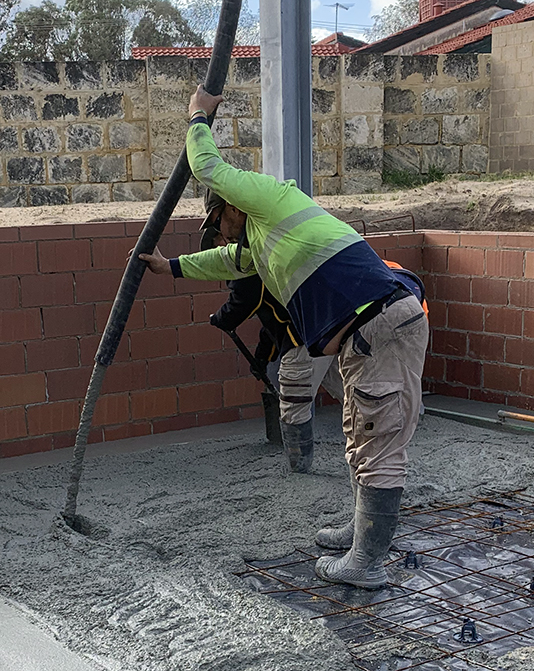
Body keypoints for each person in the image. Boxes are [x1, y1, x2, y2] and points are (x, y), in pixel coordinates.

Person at [138, 86, 430, 590]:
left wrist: (196, 118)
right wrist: (171, 269)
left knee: (379, 444)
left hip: (379, 321)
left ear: (230, 205)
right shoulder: (262, 238)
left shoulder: (269, 198)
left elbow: (208, 169)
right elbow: (228, 263)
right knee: (363, 437)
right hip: (369, 330)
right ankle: (360, 536)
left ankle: (366, 564)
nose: (221, 234)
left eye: (218, 222)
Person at [202, 202, 341, 472]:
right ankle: (375, 435)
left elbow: (246, 300)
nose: (223, 244)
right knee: (344, 386)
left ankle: (300, 468)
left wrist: (223, 318)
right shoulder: (258, 254)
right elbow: (272, 320)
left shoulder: (246, 263)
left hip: (305, 336)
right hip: (327, 328)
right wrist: (262, 358)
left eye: (220, 240)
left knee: (293, 402)